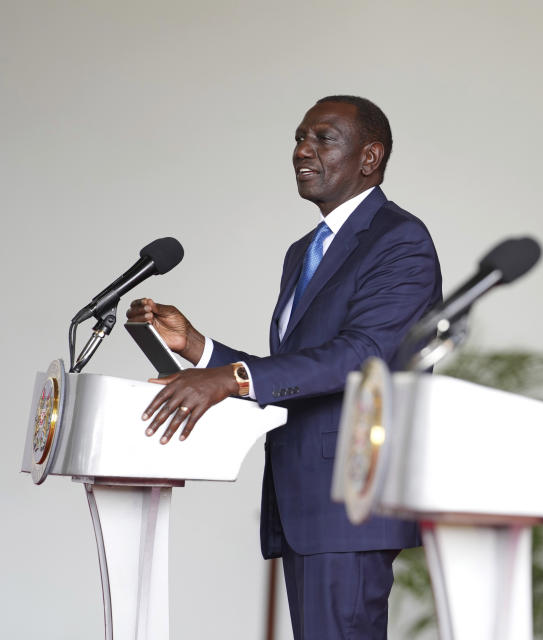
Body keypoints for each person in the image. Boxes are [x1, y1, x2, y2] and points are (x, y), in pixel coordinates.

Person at [127, 95, 443, 639]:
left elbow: (363, 354)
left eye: (323, 138)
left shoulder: (400, 240)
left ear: (370, 157)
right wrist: (200, 350)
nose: (303, 150)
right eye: (299, 137)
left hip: (350, 502)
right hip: (305, 501)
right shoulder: (304, 251)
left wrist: (229, 380)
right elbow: (296, 369)